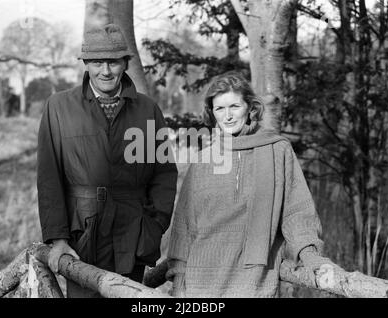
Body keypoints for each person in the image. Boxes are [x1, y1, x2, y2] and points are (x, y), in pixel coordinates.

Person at [37, 24, 177, 297]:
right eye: (97, 62)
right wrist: (58, 239)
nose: (106, 71)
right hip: (82, 235)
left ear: (125, 63)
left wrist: (154, 225)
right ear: (85, 63)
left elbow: (164, 173)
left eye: (113, 62)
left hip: (133, 233)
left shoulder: (148, 109)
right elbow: (48, 177)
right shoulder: (58, 107)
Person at [166, 71, 334, 297]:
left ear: (250, 108)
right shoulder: (203, 160)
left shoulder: (277, 150)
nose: (227, 116)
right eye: (219, 109)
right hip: (201, 283)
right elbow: (184, 227)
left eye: (234, 106)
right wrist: (179, 281)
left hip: (255, 281)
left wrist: (310, 255)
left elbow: (297, 211)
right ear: (212, 113)